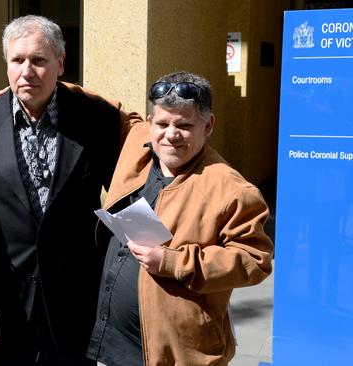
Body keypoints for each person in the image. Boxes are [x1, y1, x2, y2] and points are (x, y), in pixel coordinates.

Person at [0, 15, 127, 365]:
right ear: (7, 64)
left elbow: (123, 193)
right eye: (18, 60)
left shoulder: (97, 119)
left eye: (39, 60)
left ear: (60, 62)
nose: (27, 70)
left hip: (74, 307)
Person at [87, 71, 274, 366]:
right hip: (111, 344)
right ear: (150, 123)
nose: (171, 134)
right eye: (162, 123)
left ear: (208, 124)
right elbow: (111, 108)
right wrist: (32, 86)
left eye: (184, 125)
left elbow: (255, 261)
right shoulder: (137, 142)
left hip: (178, 354)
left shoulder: (233, 190)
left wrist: (173, 262)